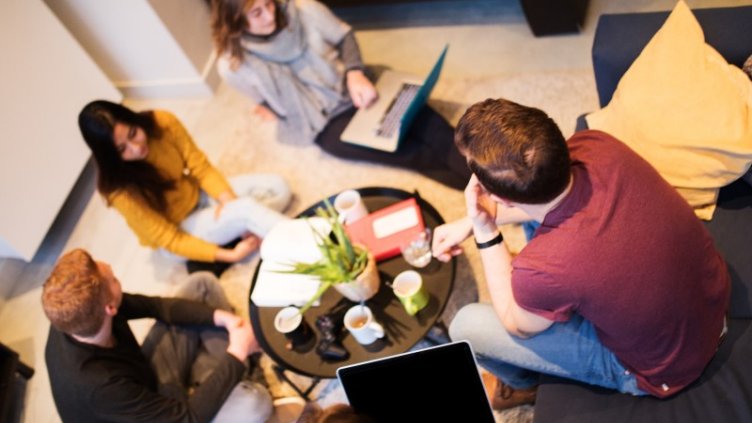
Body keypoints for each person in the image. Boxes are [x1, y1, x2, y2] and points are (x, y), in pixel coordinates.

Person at [432, 98, 730, 409]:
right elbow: (539, 198)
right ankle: (556, 300)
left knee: (466, 325)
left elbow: (514, 324)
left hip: (665, 368)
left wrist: (484, 231)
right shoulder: (597, 144)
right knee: (540, 270)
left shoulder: (541, 271)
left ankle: (523, 386)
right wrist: (468, 222)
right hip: (711, 299)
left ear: (498, 198)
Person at [210, 0, 471, 189]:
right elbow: (265, 101)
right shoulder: (232, 65)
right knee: (407, 152)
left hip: (355, 85)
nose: (270, 15)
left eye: (270, 4)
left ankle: (493, 183)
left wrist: (355, 72)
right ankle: (482, 190)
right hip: (325, 121)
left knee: (432, 128)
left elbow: (345, 36)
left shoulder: (305, 10)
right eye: (257, 12)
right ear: (233, 20)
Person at [42, 248, 273, 422]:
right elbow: (187, 419)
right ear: (109, 308)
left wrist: (225, 319)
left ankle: (219, 375)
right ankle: (233, 368)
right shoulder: (101, 388)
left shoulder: (71, 314)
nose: (117, 278)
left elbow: (155, 307)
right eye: (113, 279)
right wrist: (237, 352)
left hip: (144, 379)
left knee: (202, 284)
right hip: (148, 411)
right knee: (255, 402)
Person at [78, 100, 292, 264]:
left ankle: (240, 226)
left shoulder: (163, 123)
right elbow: (170, 239)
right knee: (246, 210)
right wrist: (230, 256)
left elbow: (201, 167)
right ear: (111, 156)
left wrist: (228, 202)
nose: (136, 147)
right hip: (178, 229)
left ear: (134, 119)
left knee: (279, 189)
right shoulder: (119, 192)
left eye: (133, 134)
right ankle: (305, 240)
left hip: (196, 193)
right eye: (122, 149)